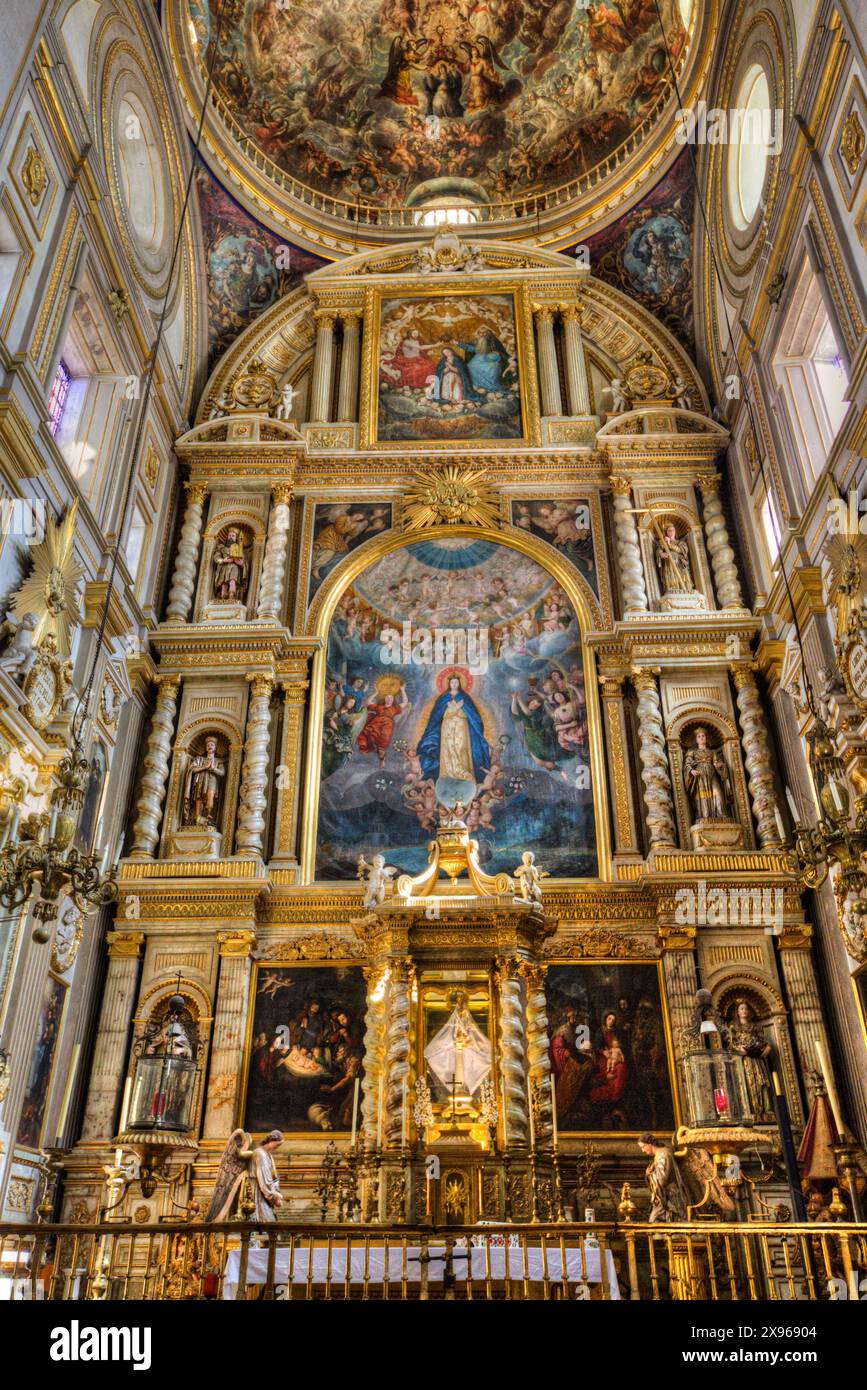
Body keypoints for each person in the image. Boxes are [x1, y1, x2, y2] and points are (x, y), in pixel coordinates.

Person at [417, 674, 489, 784]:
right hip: (447, 725)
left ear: (459, 684)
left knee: (461, 747)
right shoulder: (443, 698)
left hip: (461, 725)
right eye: (452, 682)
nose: (454, 684)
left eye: (456, 682)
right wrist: (455, 708)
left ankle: (464, 772)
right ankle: (448, 774)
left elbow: (473, 715)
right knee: (448, 747)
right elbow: (437, 715)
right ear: (449, 684)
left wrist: (457, 708)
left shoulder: (464, 697)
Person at [683, 726, 734, 822]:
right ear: (696, 740)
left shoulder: (712, 752)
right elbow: (687, 763)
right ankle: (704, 817)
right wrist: (691, 771)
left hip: (711, 775)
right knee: (702, 796)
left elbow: (717, 763)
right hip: (700, 777)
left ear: (706, 738)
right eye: (699, 736)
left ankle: (721, 816)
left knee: (717, 793)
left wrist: (720, 766)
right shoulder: (692, 752)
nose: (702, 738)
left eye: (703, 736)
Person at [638, 1134, 688, 1222]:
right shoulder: (660, 1154)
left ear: (649, 1144)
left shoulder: (663, 1154)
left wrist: (650, 1173)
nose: (642, 1150)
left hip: (670, 1197)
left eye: (643, 1147)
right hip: (664, 1197)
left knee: (655, 1221)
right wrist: (649, 1174)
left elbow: (661, 1180)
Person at [182, 736, 226, 828]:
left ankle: (208, 817)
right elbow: (192, 769)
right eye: (208, 745)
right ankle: (197, 818)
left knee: (210, 797)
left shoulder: (218, 761)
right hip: (200, 782)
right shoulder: (199, 759)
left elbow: (222, 773)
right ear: (206, 748)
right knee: (199, 799)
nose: (210, 746)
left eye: (212, 745)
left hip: (212, 782)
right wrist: (204, 767)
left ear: (215, 748)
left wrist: (213, 769)